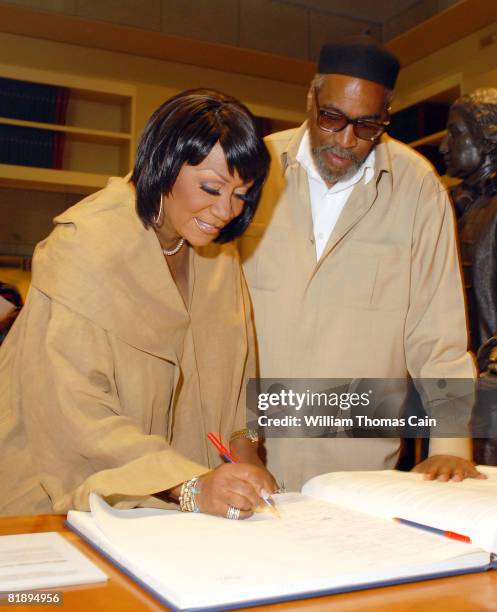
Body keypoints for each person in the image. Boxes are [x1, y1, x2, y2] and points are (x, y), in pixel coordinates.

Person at [0, 88, 277, 518]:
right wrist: (187, 485)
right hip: (50, 508)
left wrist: (247, 455)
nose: (225, 211)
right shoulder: (86, 246)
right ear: (163, 164)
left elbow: (240, 374)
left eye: (241, 194)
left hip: (171, 511)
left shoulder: (216, 252)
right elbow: (74, 411)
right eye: (211, 187)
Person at [239, 37, 483, 490]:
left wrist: (449, 444)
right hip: (245, 453)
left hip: (357, 469)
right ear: (310, 99)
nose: (346, 140)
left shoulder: (417, 189)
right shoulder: (252, 169)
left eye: (367, 126)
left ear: (386, 115)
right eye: (332, 118)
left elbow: (438, 334)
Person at [440, 88, 497, 464]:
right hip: (449, 383)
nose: (444, 145)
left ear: (487, 141)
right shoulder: (444, 204)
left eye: (455, 133)